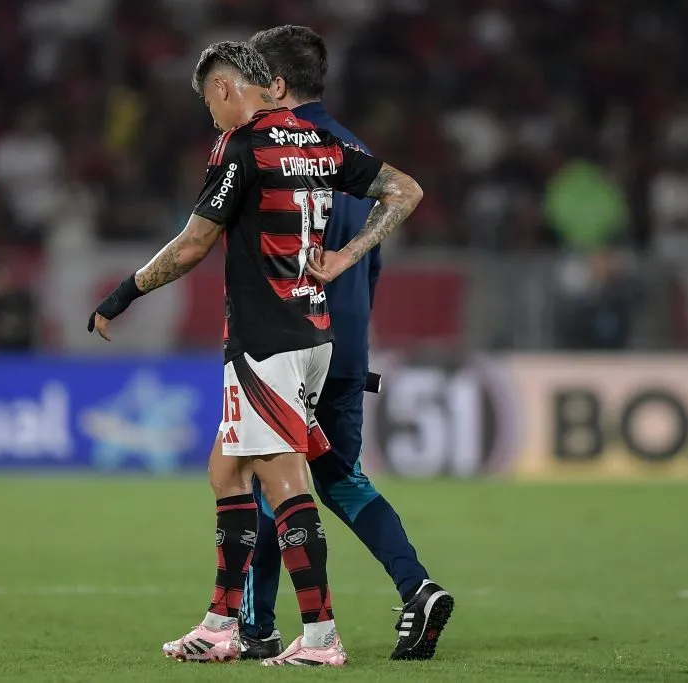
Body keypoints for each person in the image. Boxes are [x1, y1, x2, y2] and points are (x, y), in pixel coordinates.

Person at [89, 41, 423, 667]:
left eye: (208, 103)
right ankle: (222, 623)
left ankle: (320, 637)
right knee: (226, 470)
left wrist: (123, 293)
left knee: (283, 479)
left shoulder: (240, 147)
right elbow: (404, 190)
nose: (211, 116)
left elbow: (194, 244)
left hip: (268, 339)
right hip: (312, 334)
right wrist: (347, 258)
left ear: (222, 89)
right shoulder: (317, 141)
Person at [233, 25, 454, 662]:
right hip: (348, 346)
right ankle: (417, 587)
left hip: (290, 342)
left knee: (270, 477)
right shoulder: (356, 153)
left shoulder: (274, 150)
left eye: (253, 81)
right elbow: (371, 263)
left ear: (276, 85)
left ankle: (256, 626)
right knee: (339, 478)